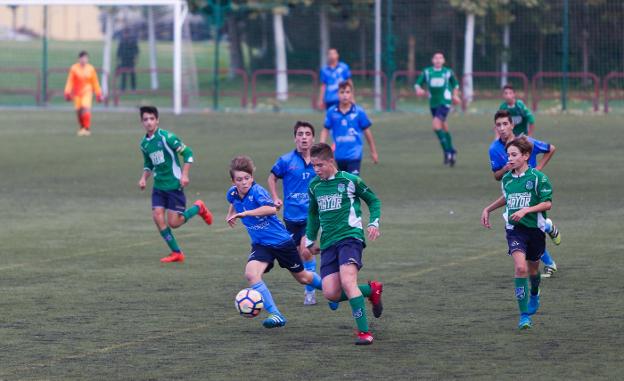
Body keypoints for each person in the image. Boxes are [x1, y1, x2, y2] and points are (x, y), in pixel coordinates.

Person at [226, 155, 323, 329]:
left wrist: (246, 214)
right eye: (239, 179)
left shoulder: (257, 192)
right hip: (261, 245)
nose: (244, 182)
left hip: (281, 242)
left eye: (247, 178)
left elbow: (272, 209)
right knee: (251, 274)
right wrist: (230, 214)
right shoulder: (232, 193)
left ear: (252, 178)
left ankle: (331, 290)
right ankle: (276, 314)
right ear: (233, 181)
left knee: (303, 278)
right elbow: (233, 200)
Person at [303, 143, 383, 345]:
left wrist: (374, 222)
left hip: (350, 238)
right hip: (328, 242)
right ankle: (371, 290)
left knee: (348, 282)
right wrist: (310, 238)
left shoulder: (350, 180)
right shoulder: (314, 186)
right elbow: (313, 213)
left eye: (319, 165)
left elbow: (373, 201)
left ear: (331, 161)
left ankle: (364, 333)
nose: (316, 170)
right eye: (313, 166)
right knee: (331, 293)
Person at [481, 136, 555, 329]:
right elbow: (507, 197)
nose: (510, 159)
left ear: (526, 156)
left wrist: (526, 210)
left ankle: (534, 292)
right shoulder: (506, 179)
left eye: (514, 155)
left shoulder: (538, 178)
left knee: (533, 272)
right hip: (515, 230)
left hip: (535, 230)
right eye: (508, 155)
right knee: (520, 268)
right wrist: (488, 208)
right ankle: (524, 316)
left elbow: (547, 203)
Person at [489, 110, 561, 276]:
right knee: (521, 229)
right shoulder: (494, 149)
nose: (502, 128)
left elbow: (551, 149)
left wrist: (539, 168)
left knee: (531, 228)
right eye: (498, 125)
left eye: (505, 124)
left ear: (512, 125)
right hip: (514, 193)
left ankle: (547, 228)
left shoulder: (526, 141)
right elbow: (497, 176)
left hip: (532, 192)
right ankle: (549, 256)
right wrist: (505, 168)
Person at [137, 106, 213, 263]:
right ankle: (176, 252)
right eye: (145, 119)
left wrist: (184, 175)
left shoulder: (167, 138)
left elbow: (188, 153)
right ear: (142, 122)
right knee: (157, 217)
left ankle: (198, 207)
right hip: (158, 186)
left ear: (157, 120)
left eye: (152, 119)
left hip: (173, 185)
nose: (149, 122)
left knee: (174, 222)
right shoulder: (144, 144)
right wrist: (144, 178)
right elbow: (148, 163)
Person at [267, 121, 319, 305]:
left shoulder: (318, 161)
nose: (304, 137)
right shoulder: (286, 160)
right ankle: (319, 281)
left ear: (313, 138)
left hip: (311, 216)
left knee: (305, 251)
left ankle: (310, 293)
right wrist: (275, 197)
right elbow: (272, 177)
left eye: (307, 134)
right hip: (290, 217)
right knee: (298, 256)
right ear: (295, 138)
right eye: (300, 134)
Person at [320, 82, 378, 175]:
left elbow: (367, 132)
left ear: (351, 94)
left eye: (347, 92)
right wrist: (321, 148)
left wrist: (373, 151)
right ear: (337, 94)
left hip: (354, 155)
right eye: (342, 92)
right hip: (338, 156)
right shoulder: (332, 111)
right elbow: (325, 129)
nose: (345, 95)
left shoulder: (359, 111)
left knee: (352, 185)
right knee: (341, 186)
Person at [414, 52, 461, 166]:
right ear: (432, 60)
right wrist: (418, 90)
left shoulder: (447, 72)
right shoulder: (427, 71)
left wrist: (455, 95)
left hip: (445, 101)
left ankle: (447, 152)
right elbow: (417, 84)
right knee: (443, 126)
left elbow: (455, 85)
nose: (438, 60)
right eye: (436, 58)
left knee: (436, 125)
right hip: (433, 103)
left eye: (440, 58)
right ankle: (451, 150)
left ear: (443, 60)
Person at [64, 51, 103, 136]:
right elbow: (70, 81)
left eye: (85, 58)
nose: (84, 60)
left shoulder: (91, 69)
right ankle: (82, 127)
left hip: (87, 92)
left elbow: (95, 82)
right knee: (78, 111)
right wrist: (67, 92)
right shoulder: (74, 68)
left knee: (85, 108)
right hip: (77, 93)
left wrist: (98, 93)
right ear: (79, 59)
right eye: (82, 58)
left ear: (87, 59)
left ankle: (87, 128)